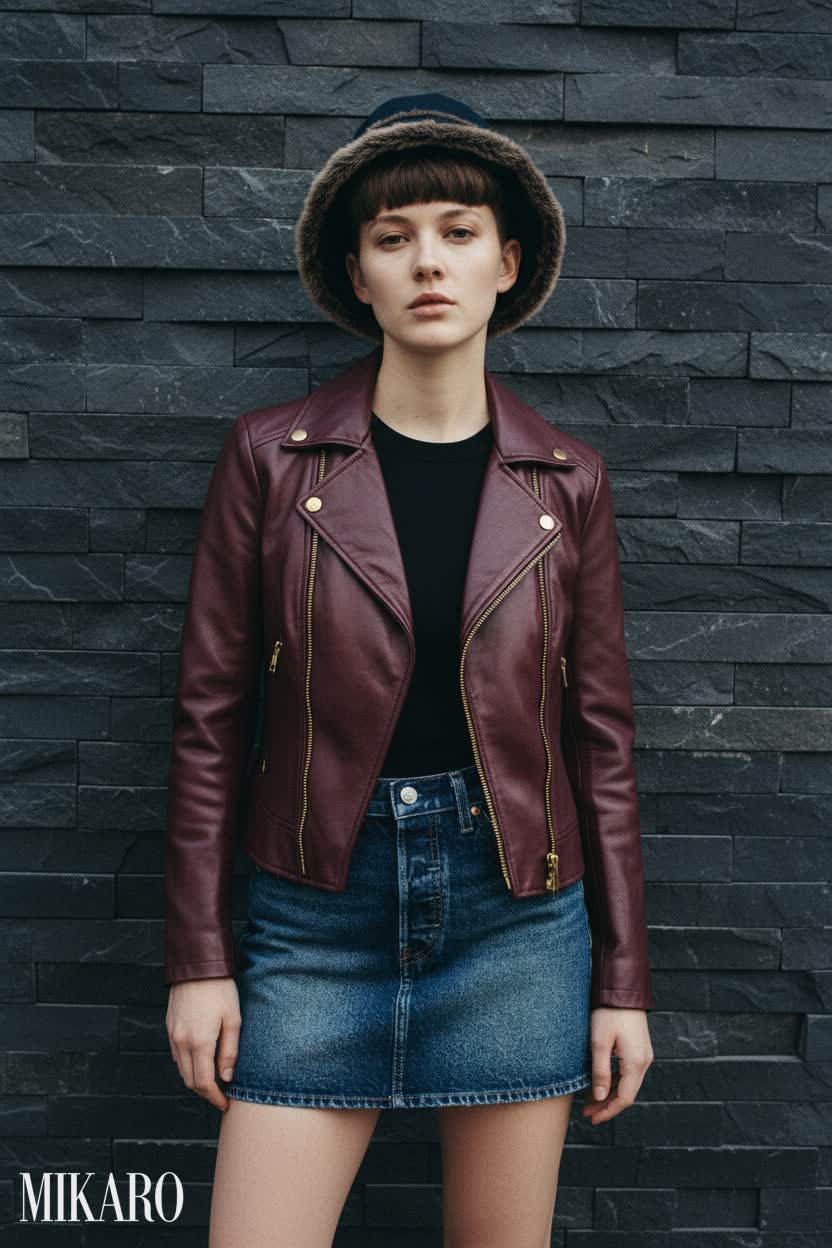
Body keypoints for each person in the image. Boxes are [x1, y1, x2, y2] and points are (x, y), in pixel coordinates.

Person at [164, 92, 654, 1247]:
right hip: (313, 919)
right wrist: (199, 959)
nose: (427, 261)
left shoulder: (569, 481)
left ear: (505, 262)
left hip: (516, 922)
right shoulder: (269, 460)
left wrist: (622, 983)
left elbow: (601, 743)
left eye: (457, 230)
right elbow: (209, 721)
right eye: (393, 238)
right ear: (359, 274)